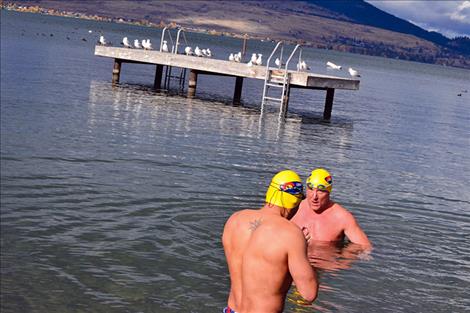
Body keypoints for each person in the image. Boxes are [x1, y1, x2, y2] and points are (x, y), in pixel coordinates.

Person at [222, 170, 319, 313]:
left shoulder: (235, 220)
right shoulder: (291, 234)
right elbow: (309, 293)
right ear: (295, 202)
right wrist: (302, 249)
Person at [291, 168, 372, 249]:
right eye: (311, 189)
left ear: (329, 192)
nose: (314, 196)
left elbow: (365, 247)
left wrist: (343, 259)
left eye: (320, 191)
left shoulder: (342, 218)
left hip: (327, 260)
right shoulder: (293, 208)